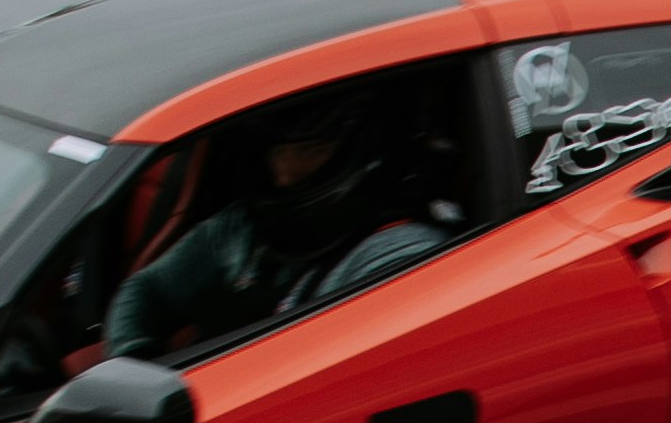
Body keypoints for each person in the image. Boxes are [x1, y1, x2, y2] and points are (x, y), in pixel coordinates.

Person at [102, 79, 459, 363]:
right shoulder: (244, 226)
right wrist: (133, 360)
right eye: (278, 152)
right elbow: (146, 290)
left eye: (308, 151)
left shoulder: (402, 254)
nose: (284, 174)